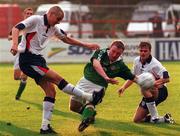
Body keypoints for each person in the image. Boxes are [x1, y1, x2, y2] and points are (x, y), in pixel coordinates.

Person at [10, 6, 104, 134]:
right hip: (28, 60)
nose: (59, 21)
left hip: (37, 59)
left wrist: (87, 45)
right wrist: (15, 44)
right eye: (58, 18)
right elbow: (16, 28)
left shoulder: (54, 28)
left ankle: (45, 127)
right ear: (51, 14)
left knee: (51, 92)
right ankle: (90, 97)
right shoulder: (35, 19)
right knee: (57, 79)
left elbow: (67, 39)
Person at [69, 40, 137, 132]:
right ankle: (89, 115)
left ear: (121, 53)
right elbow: (96, 64)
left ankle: (86, 119)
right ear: (110, 48)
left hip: (100, 87)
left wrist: (148, 83)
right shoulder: (101, 52)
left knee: (91, 102)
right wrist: (106, 77)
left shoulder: (120, 65)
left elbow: (132, 77)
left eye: (118, 53)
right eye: (113, 51)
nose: (114, 55)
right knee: (73, 107)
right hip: (85, 81)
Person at [118, 41, 175, 124]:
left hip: (161, 91)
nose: (143, 53)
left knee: (143, 86)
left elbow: (167, 78)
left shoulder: (155, 64)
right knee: (137, 119)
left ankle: (155, 117)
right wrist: (123, 87)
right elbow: (133, 77)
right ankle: (164, 119)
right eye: (141, 51)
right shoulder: (136, 61)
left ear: (150, 51)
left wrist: (155, 83)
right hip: (148, 91)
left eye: (145, 51)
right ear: (139, 51)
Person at [8, 7, 34, 100]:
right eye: (27, 13)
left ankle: (18, 96)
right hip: (18, 53)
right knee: (16, 77)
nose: (29, 15)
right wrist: (17, 36)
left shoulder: (34, 25)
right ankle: (24, 78)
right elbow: (9, 36)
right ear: (24, 14)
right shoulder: (19, 26)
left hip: (29, 53)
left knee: (24, 76)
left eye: (31, 14)